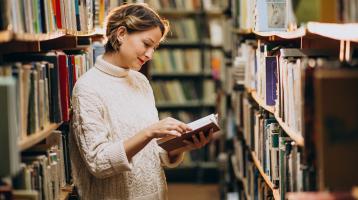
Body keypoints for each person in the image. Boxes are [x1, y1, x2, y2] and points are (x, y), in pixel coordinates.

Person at [69, 3, 214, 200]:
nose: (150, 54)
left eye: (154, 48)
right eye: (146, 44)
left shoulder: (140, 81)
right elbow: (98, 163)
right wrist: (148, 132)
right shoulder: (88, 88)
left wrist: (182, 145)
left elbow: (153, 154)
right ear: (121, 34)